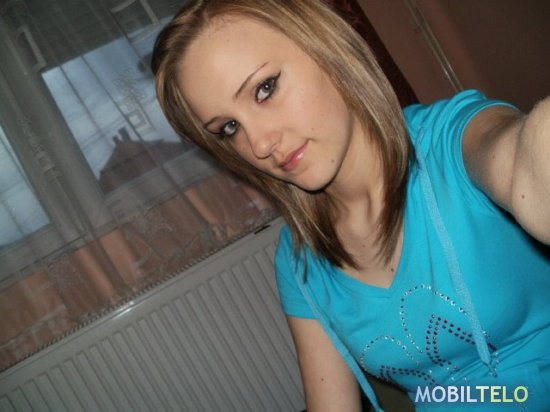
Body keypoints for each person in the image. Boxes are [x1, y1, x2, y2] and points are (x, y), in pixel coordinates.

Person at [151, 0, 550, 410]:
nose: (260, 145)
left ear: (327, 48)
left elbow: (523, 164)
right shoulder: (300, 260)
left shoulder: (452, 143)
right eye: (230, 127)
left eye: (265, 88)